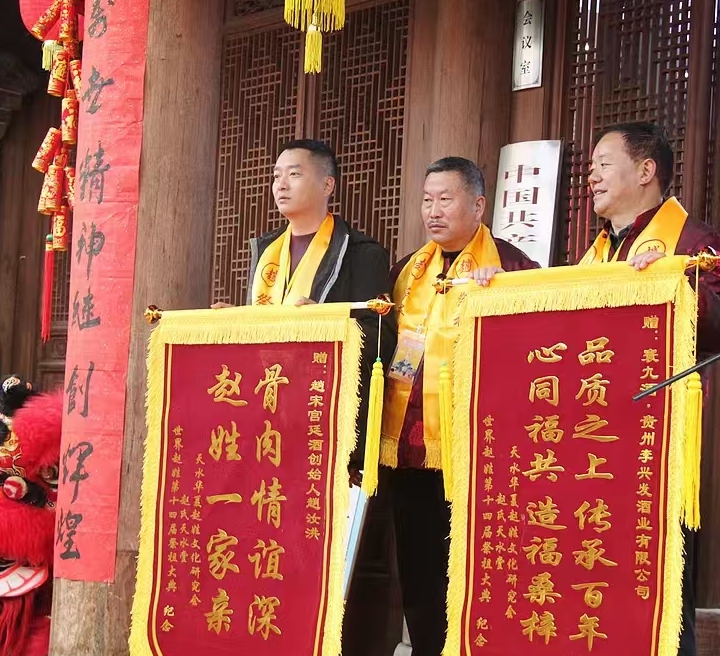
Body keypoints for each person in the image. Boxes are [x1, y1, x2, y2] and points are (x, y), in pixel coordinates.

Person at [581, 121, 720, 654]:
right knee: (597, 582)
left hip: (656, 443)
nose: (591, 176)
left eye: (604, 164)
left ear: (646, 171)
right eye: (591, 167)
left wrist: (678, 281)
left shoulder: (692, 242)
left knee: (659, 594)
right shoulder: (597, 250)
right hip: (593, 440)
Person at [380, 156, 539, 656]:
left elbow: (537, 353)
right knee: (420, 570)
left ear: (478, 204)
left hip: (478, 452)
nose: (433, 211)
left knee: (474, 568)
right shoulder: (407, 270)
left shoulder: (512, 267)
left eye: (445, 199)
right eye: (427, 200)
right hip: (410, 451)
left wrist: (503, 298)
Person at [213, 139, 397, 481]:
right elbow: (269, 327)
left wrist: (325, 324)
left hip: (323, 420)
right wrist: (236, 322)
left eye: (294, 175)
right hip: (267, 415)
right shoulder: (267, 250)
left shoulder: (361, 253)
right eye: (276, 176)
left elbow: (381, 341)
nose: (280, 185)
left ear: (328, 185)